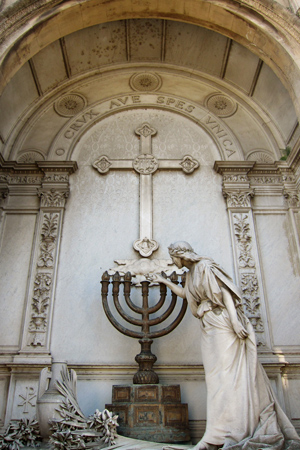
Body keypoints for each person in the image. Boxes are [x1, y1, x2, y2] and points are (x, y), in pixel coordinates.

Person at [147, 241, 300, 450]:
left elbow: (226, 293)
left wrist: (236, 322)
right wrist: (163, 281)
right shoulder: (191, 274)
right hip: (209, 326)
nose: (171, 261)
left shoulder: (205, 267)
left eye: (172, 256)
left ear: (180, 255)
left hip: (222, 324)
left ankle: (225, 434)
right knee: (216, 379)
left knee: (227, 378)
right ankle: (215, 434)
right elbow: (186, 295)